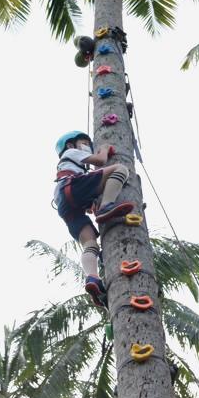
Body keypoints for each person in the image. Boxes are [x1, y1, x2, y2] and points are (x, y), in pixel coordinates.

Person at [53, 131, 134, 307]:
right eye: (84, 143)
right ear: (70, 145)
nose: (88, 147)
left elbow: (88, 187)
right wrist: (103, 149)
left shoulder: (72, 165)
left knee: (90, 244)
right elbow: (101, 161)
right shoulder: (71, 152)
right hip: (71, 186)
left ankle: (92, 277)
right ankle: (107, 206)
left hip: (66, 204)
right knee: (120, 169)